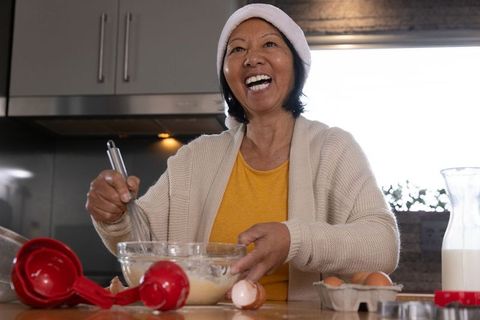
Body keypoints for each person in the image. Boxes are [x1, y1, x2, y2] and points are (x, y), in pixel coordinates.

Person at [86, 3, 400, 301]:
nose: (252, 59)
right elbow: (142, 243)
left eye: (270, 45)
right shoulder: (196, 158)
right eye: (237, 49)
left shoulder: (334, 148)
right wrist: (114, 216)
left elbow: (383, 245)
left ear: (295, 65)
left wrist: (294, 241)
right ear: (227, 75)